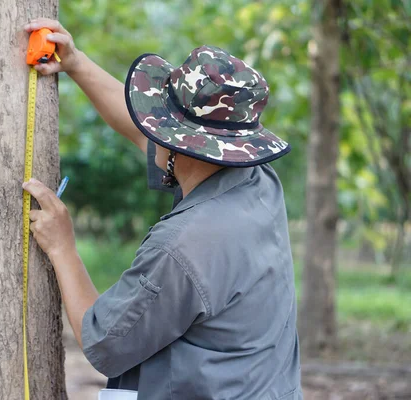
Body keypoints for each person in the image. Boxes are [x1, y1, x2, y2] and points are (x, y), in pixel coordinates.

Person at [22, 18, 303, 400]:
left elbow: (103, 341)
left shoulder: (184, 245)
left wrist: (62, 247)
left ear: (179, 144)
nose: (150, 128)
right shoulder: (256, 181)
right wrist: (77, 64)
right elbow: (141, 129)